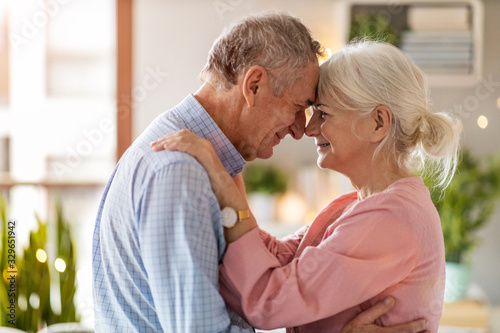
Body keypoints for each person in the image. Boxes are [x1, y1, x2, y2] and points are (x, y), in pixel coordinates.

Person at [92, 11, 428, 332]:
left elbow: (279, 274)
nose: (303, 129)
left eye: (320, 113)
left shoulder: (195, 164)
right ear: (253, 85)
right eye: (301, 108)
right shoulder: (181, 173)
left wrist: (228, 186)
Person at [152, 40, 461, 332]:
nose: (308, 129)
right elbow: (276, 260)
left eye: (323, 113)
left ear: (378, 123)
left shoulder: (391, 218)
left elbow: (268, 301)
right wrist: (228, 161)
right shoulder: (354, 206)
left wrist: (222, 180)